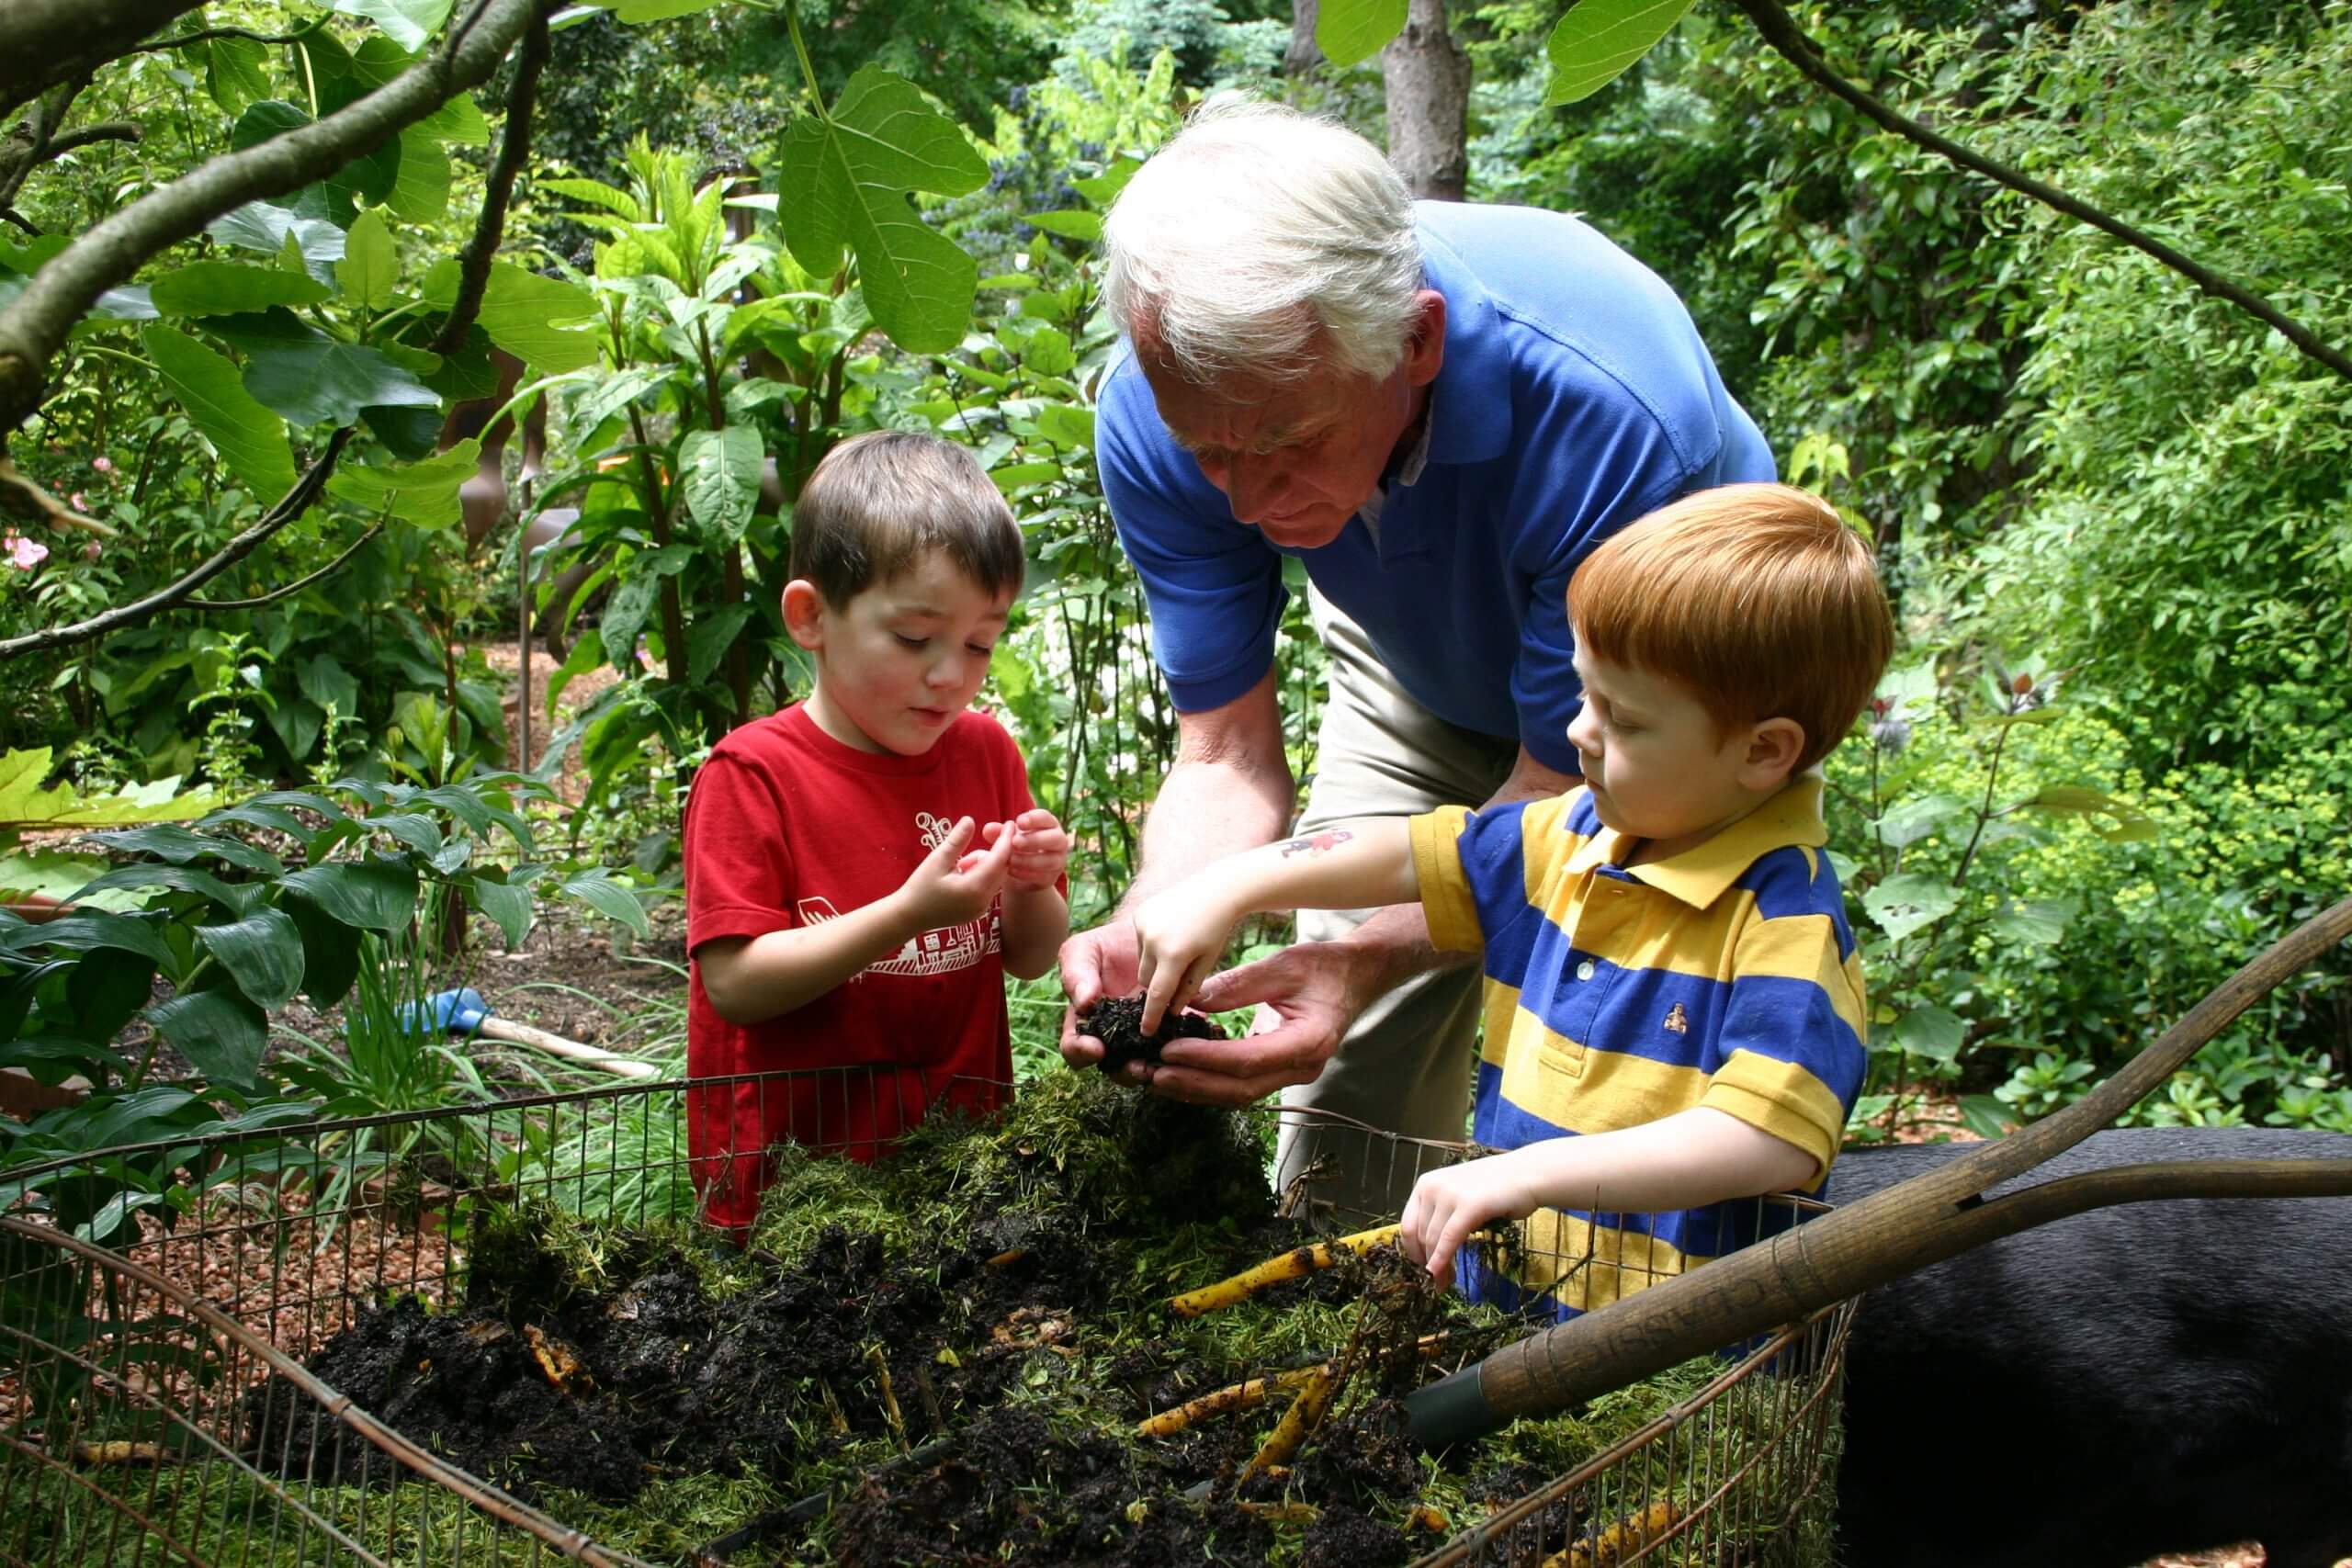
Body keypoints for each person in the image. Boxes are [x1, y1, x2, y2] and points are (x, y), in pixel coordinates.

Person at [1057, 96, 1778, 1211]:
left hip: (1664, 708)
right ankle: (1338, 1342)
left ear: (1418, 341)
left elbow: (1560, 791)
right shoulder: (1178, 407)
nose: (1246, 502)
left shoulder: (1607, 412)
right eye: (1212, 456)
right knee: (1351, 1063)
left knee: (1632, 1077)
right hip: (1420, 654)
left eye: (1287, 444)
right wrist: (1149, 926)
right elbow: (1225, 757)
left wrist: (1369, 951)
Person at [1125, 484, 1893, 1314]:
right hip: (1510, 1312)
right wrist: (1234, 881)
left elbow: (1764, 1138)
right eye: (1583, 694)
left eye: (1623, 719)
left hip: (1670, 1357)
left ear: (1763, 751)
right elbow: (1409, 852)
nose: (1578, 733)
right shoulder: (1573, 834)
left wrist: (1522, 1174)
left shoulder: (1786, 924)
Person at [684, 431, 1071, 1235]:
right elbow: (736, 983)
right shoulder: (753, 775)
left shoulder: (985, 752)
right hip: (792, 1196)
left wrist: (1032, 884)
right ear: (811, 617)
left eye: (978, 644)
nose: (950, 675)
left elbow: (1030, 958)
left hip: (961, 1170)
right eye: (913, 638)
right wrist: (904, 915)